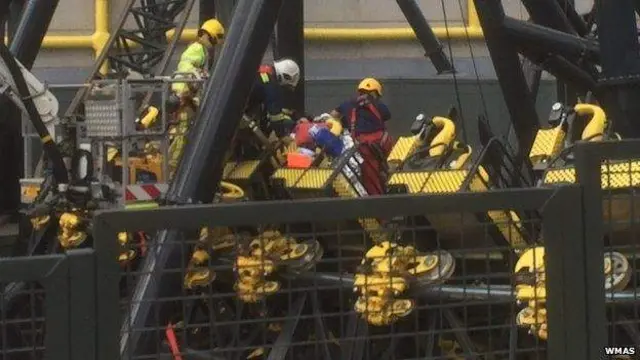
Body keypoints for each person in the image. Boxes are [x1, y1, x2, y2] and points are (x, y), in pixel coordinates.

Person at [167, 18, 225, 175]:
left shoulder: (201, 50)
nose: (215, 43)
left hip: (186, 96)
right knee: (182, 134)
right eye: (216, 39)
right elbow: (186, 66)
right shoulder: (197, 49)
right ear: (211, 36)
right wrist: (197, 75)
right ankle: (172, 169)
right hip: (183, 96)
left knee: (183, 132)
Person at [330, 77, 393, 195]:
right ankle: (379, 205)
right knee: (374, 177)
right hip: (377, 147)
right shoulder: (378, 104)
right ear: (375, 93)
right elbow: (387, 116)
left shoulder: (348, 103)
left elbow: (333, 115)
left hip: (359, 147)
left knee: (363, 177)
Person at [245, 58, 301, 138]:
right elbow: (276, 119)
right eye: (286, 87)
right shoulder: (271, 84)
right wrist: (285, 134)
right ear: (285, 77)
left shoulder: (261, 72)